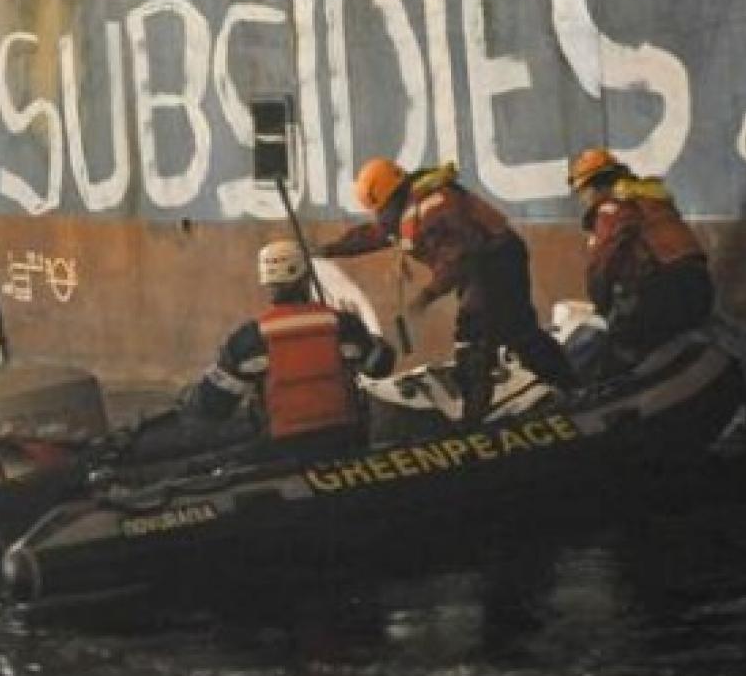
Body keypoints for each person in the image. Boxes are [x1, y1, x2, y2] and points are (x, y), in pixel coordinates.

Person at [318, 158, 578, 421]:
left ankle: (475, 420)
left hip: (491, 261)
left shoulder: (435, 209)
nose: (380, 217)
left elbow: (459, 257)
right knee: (519, 332)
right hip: (490, 259)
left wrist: (426, 296)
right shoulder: (409, 208)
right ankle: (570, 387)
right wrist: (330, 249)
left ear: (393, 198)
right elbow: (374, 234)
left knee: (474, 338)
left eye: (382, 209)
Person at [191, 238, 394, 458]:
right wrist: (375, 341)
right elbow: (380, 367)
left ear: (266, 282)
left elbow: (213, 405)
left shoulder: (248, 339)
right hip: (344, 441)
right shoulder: (345, 325)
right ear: (307, 277)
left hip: (281, 449)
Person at [567, 148, 715, 360]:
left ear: (596, 187)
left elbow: (604, 263)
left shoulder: (612, 209)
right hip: (702, 289)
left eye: (583, 192)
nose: (582, 199)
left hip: (665, 294)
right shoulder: (651, 199)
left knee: (614, 345)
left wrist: (601, 306)